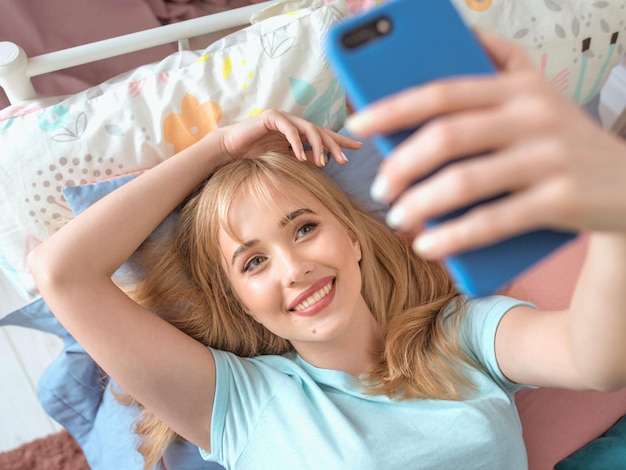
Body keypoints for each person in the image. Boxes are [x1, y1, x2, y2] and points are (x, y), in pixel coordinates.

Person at [28, 32, 626, 470]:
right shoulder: (238, 401)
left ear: (354, 238)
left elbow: (595, 360)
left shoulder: (460, 335)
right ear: (237, 300)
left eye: (305, 228)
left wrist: (613, 217)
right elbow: (60, 273)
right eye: (253, 261)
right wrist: (217, 148)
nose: (295, 268)